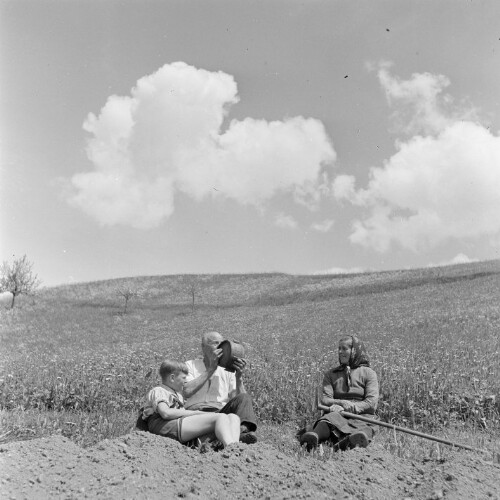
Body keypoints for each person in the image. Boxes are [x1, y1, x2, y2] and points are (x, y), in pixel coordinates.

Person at [300, 335, 379, 451]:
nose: (340, 352)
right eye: (339, 348)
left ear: (354, 351)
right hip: (338, 414)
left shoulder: (369, 373)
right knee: (326, 421)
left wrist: (354, 407)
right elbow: (325, 400)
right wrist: (339, 404)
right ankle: (313, 438)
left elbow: (371, 402)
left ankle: (346, 444)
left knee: (364, 431)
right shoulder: (331, 374)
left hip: (362, 417)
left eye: (344, 349)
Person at [140, 360, 240, 448]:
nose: (186, 381)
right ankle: (230, 448)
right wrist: (196, 413)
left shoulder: (177, 395)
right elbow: (165, 413)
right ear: (172, 378)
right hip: (165, 426)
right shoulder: (159, 390)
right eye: (183, 378)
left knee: (233, 417)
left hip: (177, 426)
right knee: (220, 417)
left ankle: (236, 447)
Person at [183, 331, 258, 444]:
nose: (220, 347)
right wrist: (210, 370)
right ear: (203, 347)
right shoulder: (190, 365)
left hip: (220, 412)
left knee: (245, 397)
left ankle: (241, 431)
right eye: (215, 343)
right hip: (196, 413)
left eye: (222, 343)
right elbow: (186, 391)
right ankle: (228, 437)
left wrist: (239, 378)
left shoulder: (227, 370)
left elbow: (238, 399)